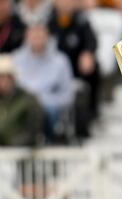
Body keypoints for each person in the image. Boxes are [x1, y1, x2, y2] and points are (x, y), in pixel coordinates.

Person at [12, 23, 73, 141]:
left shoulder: (60, 61)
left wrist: (41, 101)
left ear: (48, 37)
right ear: (26, 36)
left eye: (40, 34)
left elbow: (67, 96)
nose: (37, 38)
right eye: (33, 34)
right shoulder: (15, 59)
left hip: (49, 110)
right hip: (21, 109)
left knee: (45, 112)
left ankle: (46, 141)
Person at [49, 0, 99, 134]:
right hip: (53, 71)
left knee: (94, 68)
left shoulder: (81, 21)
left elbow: (92, 41)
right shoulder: (49, 21)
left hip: (76, 69)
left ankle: (91, 114)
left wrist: (88, 53)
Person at [0, 54, 44, 146]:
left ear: (12, 78)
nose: (1, 81)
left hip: (19, 152)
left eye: (3, 77)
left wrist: (11, 144)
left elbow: (33, 131)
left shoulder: (29, 100)